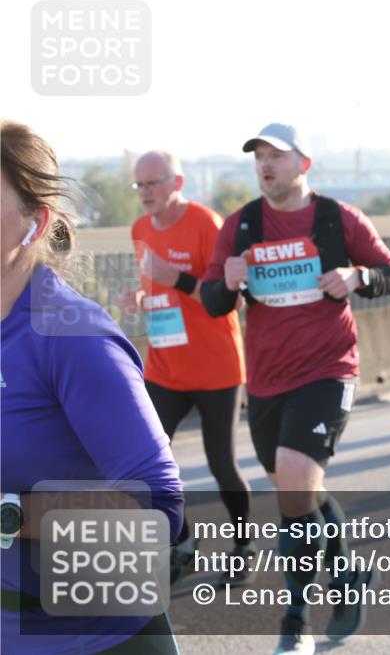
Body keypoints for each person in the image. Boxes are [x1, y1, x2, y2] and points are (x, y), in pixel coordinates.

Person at [200, 123, 390, 654]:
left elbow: (388, 272)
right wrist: (229, 281)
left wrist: (357, 277)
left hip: (328, 369)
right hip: (266, 379)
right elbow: (211, 300)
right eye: (259, 157)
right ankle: (349, 571)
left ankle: (296, 621)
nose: (265, 165)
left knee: (292, 484)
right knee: (298, 489)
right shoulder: (241, 226)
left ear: (303, 164)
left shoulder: (337, 218)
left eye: (277, 156)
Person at [0, 119, 183, 654]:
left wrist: (10, 515)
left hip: (97, 639)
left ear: (34, 225)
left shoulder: (71, 335)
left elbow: (158, 510)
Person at [119, 151, 252, 586]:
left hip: (215, 367)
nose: (144, 194)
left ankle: (242, 545)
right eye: (139, 185)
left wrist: (174, 276)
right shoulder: (139, 229)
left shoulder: (206, 224)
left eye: (153, 184)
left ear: (177, 181)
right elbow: (154, 289)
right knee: (148, 460)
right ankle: (184, 542)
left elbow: (227, 298)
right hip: (164, 368)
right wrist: (138, 299)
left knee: (221, 465)